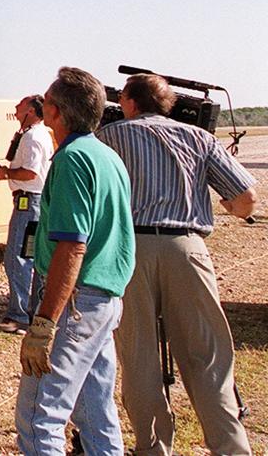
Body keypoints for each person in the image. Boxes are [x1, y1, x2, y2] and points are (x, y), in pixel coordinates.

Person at [98, 74, 257, 456]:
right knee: (208, 356)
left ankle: (152, 448)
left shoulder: (111, 137)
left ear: (129, 102)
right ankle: (232, 447)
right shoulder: (199, 138)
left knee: (139, 357)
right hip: (187, 248)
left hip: (130, 250)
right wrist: (227, 209)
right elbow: (246, 197)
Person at [14, 67, 135, 456]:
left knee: (39, 419)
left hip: (76, 302)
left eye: (45, 101)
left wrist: (45, 323)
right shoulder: (107, 156)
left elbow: (72, 246)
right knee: (95, 415)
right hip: (104, 301)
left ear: (56, 112)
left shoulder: (71, 160)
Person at [0, 94, 54, 334]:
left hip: (28, 204)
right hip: (35, 203)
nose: (16, 109)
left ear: (30, 110)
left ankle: (18, 316)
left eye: (20, 105)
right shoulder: (38, 135)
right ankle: (34, 311)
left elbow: (30, 173)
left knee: (17, 258)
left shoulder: (31, 137)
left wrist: (7, 173)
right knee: (33, 258)